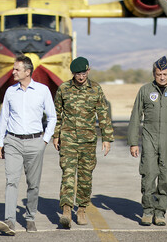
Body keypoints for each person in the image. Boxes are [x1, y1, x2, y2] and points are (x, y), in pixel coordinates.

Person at [0, 55, 57, 235]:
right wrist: (1, 142)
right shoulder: (10, 92)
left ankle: (30, 218)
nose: (13, 72)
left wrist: (45, 140)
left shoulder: (42, 90)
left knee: (33, 184)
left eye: (16, 69)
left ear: (27, 72)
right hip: (13, 142)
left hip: (35, 142)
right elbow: (4, 118)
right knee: (11, 182)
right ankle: (10, 221)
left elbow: (52, 117)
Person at [127, 56, 167, 226]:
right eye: (158, 74)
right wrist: (133, 142)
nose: (162, 77)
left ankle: (160, 211)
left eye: (165, 73)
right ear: (153, 74)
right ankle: (147, 210)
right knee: (148, 175)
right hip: (149, 138)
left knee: (164, 177)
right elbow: (135, 117)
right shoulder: (145, 90)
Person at [53, 57, 114, 228]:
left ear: (89, 71)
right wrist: (56, 135)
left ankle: (81, 209)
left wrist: (107, 138)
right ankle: (66, 210)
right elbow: (57, 114)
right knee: (68, 174)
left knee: (86, 177)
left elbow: (103, 114)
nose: (81, 77)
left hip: (88, 141)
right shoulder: (64, 89)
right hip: (68, 139)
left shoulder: (95, 89)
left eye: (84, 73)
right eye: (78, 74)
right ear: (73, 73)